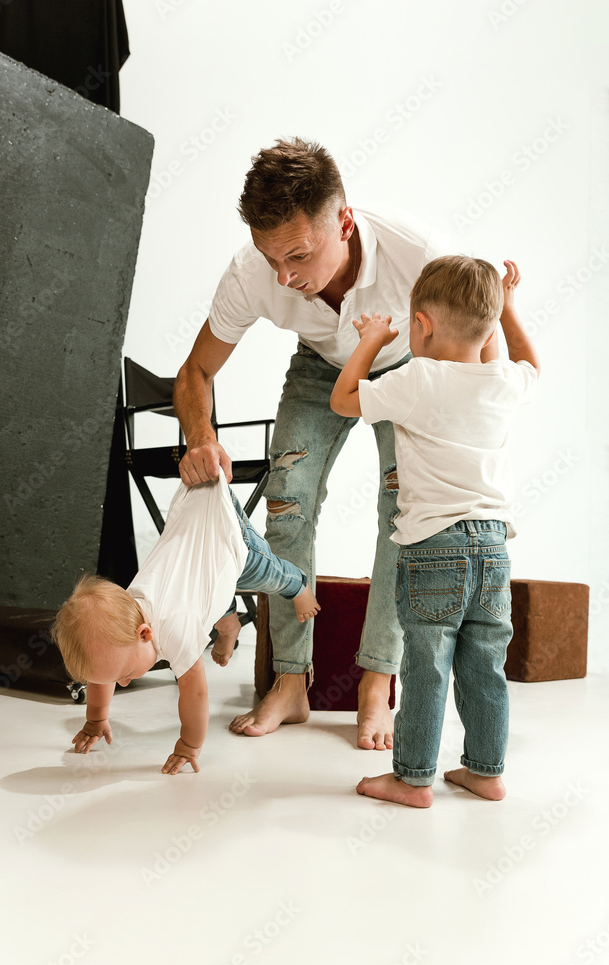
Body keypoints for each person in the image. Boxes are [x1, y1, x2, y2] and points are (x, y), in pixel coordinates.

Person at [173, 137, 456, 750]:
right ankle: (291, 682)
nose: (284, 277)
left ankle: (376, 683)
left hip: (405, 365)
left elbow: (468, 350)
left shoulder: (420, 255)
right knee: (288, 501)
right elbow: (195, 370)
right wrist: (200, 438)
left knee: (403, 509)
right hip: (320, 366)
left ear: (344, 223)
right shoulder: (254, 272)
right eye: (269, 257)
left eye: (298, 256)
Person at [329, 257, 540, 807]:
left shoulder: (416, 379)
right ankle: (486, 773)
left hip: (433, 548)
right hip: (494, 549)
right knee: (485, 666)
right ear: (489, 331)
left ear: (420, 325)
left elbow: (343, 400)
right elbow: (529, 364)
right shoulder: (501, 381)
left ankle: (413, 778)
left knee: (425, 666)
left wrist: (371, 342)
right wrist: (508, 310)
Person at [51, 471, 319, 775]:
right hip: (195, 528)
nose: (123, 683)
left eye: (124, 674)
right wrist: (96, 720)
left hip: (226, 531)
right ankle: (228, 623)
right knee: (210, 594)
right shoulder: (126, 612)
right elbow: (104, 676)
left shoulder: (175, 629)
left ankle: (299, 585)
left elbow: (196, 693)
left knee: (269, 574)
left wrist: (189, 744)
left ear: (145, 633)